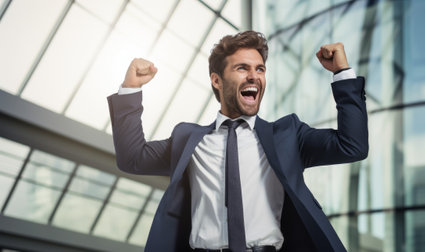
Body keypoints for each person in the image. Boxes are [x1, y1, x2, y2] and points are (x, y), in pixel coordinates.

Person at [107, 31, 368, 252]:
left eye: (260, 69)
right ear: (216, 80)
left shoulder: (287, 136)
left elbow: (351, 146)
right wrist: (131, 88)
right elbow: (132, 158)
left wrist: (342, 73)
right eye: (242, 68)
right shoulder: (189, 139)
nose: (254, 76)